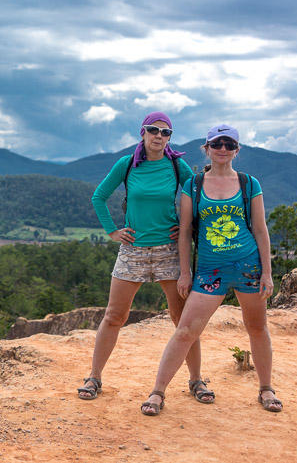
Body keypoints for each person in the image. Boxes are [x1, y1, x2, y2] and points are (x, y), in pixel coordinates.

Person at [140, 123, 282, 415]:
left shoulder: (249, 183)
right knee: (185, 331)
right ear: (207, 149)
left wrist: (267, 272)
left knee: (257, 328)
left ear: (237, 150)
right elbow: (183, 233)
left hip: (248, 266)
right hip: (208, 270)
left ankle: (266, 388)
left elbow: (259, 229)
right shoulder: (194, 184)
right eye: (217, 144)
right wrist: (185, 272)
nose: (223, 150)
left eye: (229, 145)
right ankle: (157, 392)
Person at [78, 112, 213, 404]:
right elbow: (98, 196)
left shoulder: (177, 166)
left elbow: (199, 196)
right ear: (142, 132)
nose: (159, 136)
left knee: (183, 320)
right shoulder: (127, 165)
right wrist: (112, 231)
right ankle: (94, 377)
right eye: (154, 130)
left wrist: (187, 225)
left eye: (166, 133)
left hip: (169, 250)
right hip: (133, 250)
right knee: (114, 316)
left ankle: (196, 381)